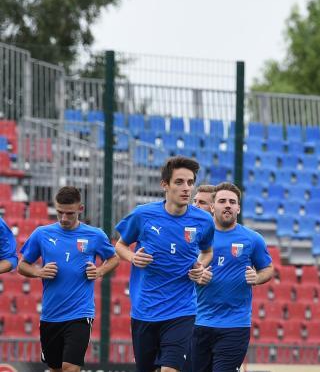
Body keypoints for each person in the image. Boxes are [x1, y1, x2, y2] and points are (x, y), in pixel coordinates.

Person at [115, 156, 215, 372]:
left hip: (182, 310)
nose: (186, 188)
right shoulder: (143, 215)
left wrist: (200, 266)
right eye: (179, 182)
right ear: (165, 185)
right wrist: (133, 257)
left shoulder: (204, 221)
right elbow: (120, 245)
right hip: (145, 310)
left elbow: (207, 252)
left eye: (190, 182)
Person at [18, 186, 118, 372]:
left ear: (80, 209)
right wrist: (39, 272)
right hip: (51, 315)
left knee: (70, 367)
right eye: (59, 213)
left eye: (69, 213)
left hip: (80, 313)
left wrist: (100, 271)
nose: (64, 218)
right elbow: (22, 266)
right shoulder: (42, 234)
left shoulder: (95, 235)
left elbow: (113, 258)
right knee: (55, 368)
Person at [192, 182, 274, 372]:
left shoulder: (252, 239)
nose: (227, 205)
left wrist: (257, 277)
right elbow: (182, 271)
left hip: (235, 324)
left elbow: (268, 269)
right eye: (222, 201)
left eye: (232, 201)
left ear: (238, 208)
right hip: (198, 321)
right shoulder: (197, 237)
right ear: (212, 207)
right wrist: (196, 275)